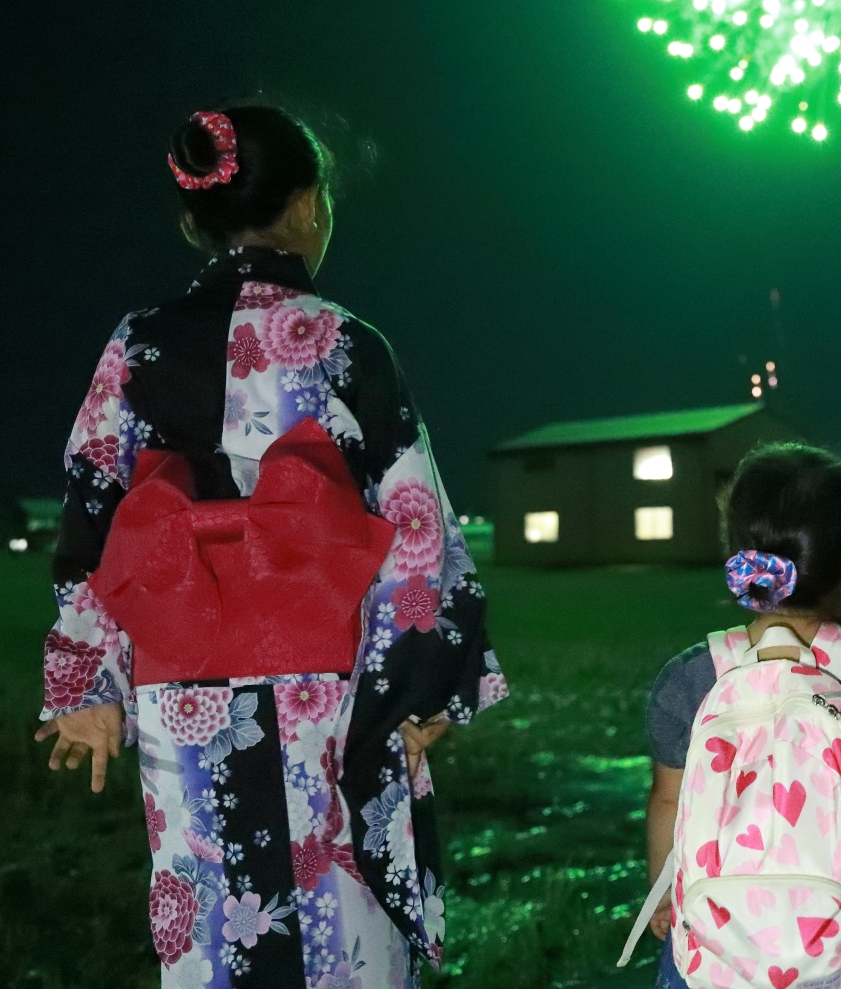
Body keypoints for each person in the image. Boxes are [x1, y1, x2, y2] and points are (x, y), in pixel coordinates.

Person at [33, 106, 505, 988]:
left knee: (216, 925)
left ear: (194, 222)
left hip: (185, 689)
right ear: (306, 209)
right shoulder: (345, 343)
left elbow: (93, 509)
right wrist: (421, 681)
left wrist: (86, 679)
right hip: (330, 684)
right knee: (343, 926)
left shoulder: (139, 342)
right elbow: (414, 521)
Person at [638, 445, 841, 988]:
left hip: (715, 937)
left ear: (739, 557)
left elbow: (668, 800)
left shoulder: (687, 680)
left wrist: (663, 889)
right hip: (840, 935)